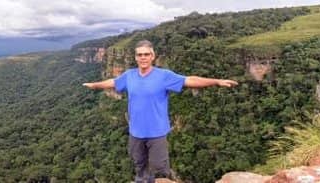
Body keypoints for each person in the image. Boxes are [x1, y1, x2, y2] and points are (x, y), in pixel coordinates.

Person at [81, 40, 238, 182]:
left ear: (152, 56)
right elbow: (113, 82)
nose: (143, 57)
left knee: (160, 169)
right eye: (140, 55)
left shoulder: (164, 76)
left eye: (146, 54)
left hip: (157, 132)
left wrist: (216, 81)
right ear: (135, 57)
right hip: (136, 132)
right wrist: (95, 85)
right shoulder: (129, 76)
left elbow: (190, 80)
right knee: (140, 166)